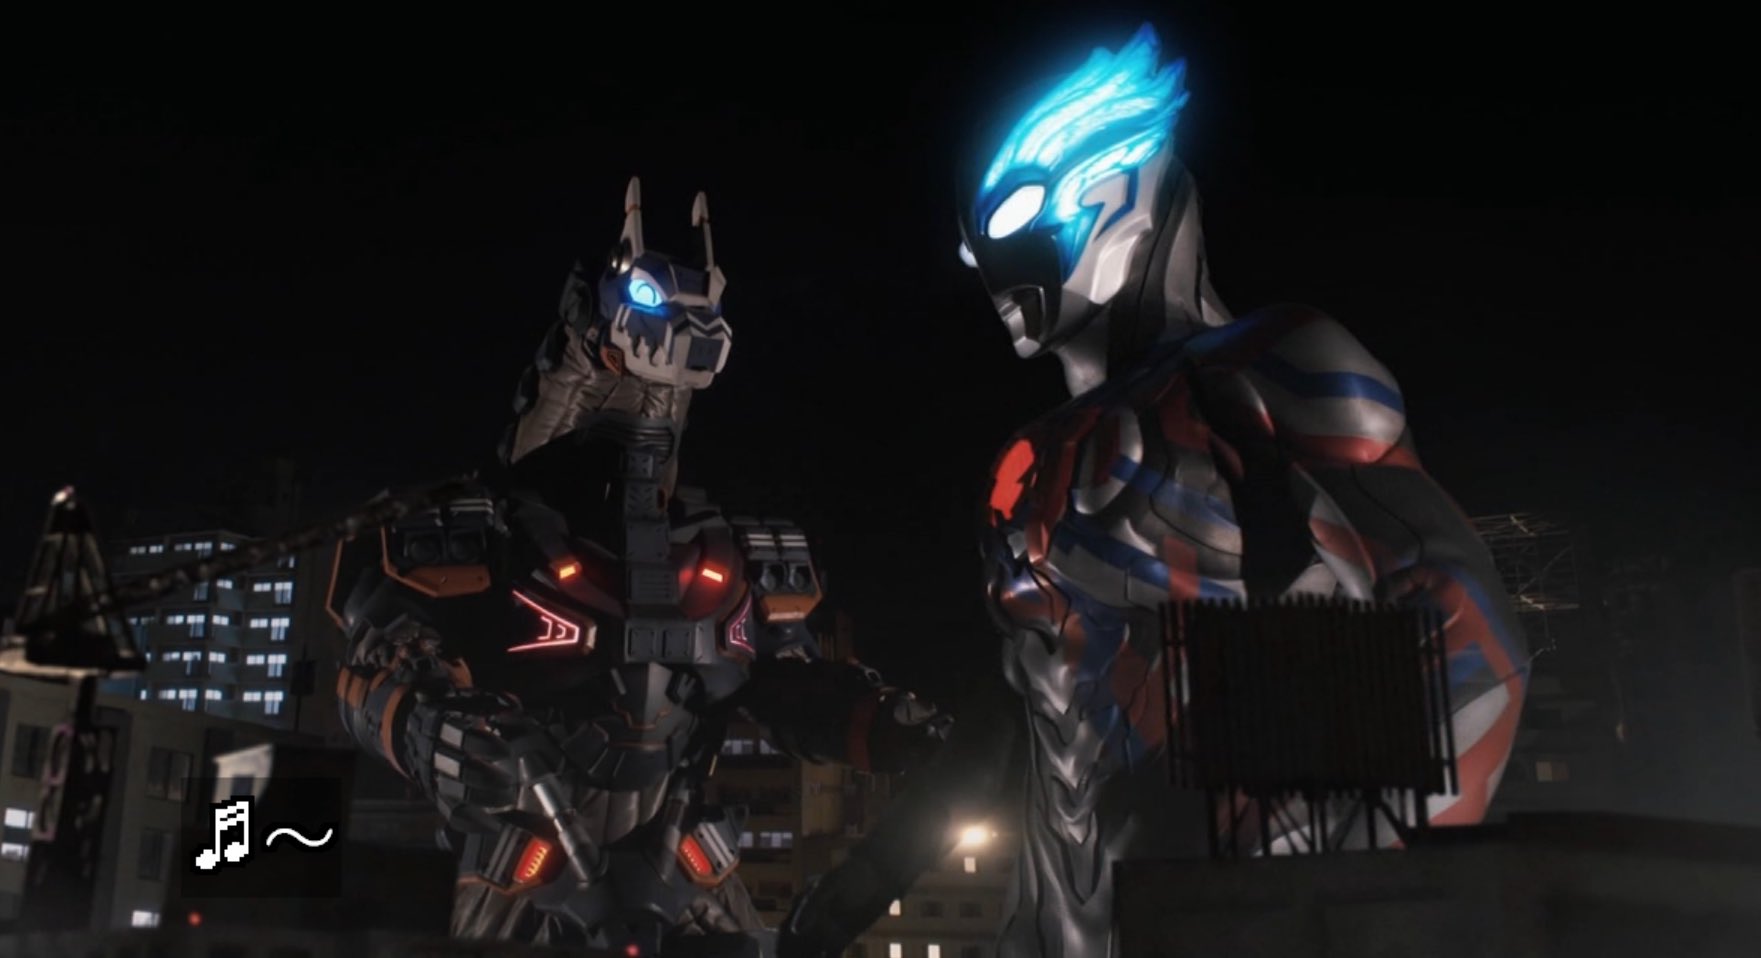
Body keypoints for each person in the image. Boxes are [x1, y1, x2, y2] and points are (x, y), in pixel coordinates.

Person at [779, 24, 1526, 958]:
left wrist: (1349, 881)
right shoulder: (1026, 465)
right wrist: (860, 886)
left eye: (1012, 213)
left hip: (1253, 905)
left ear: (1117, 180)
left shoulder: (1267, 363)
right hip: (1062, 923)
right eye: (971, 245)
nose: (983, 263)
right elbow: (1020, 716)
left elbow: (1466, 630)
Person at [331, 180, 947, 954]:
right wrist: (433, 729)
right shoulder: (485, 536)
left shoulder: (720, 552)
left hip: (683, 860)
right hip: (526, 866)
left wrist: (878, 726)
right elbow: (370, 675)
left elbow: (786, 685)